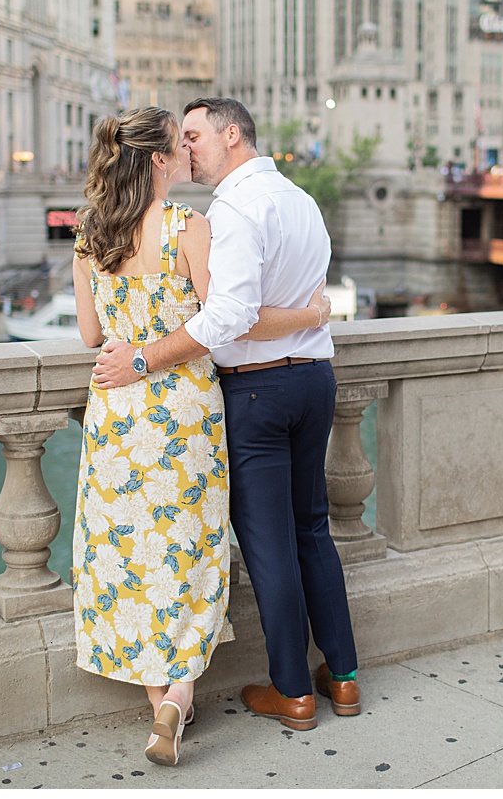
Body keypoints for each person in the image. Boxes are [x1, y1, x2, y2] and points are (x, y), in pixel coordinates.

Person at [72, 106, 331, 766]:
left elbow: (89, 334)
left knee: (131, 557)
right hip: (184, 412)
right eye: (179, 143)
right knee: (191, 551)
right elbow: (228, 320)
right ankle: (181, 687)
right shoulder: (190, 227)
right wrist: (309, 313)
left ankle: (164, 697)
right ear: (160, 160)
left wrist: (130, 343)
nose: (190, 150)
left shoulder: (89, 233)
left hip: (117, 419)